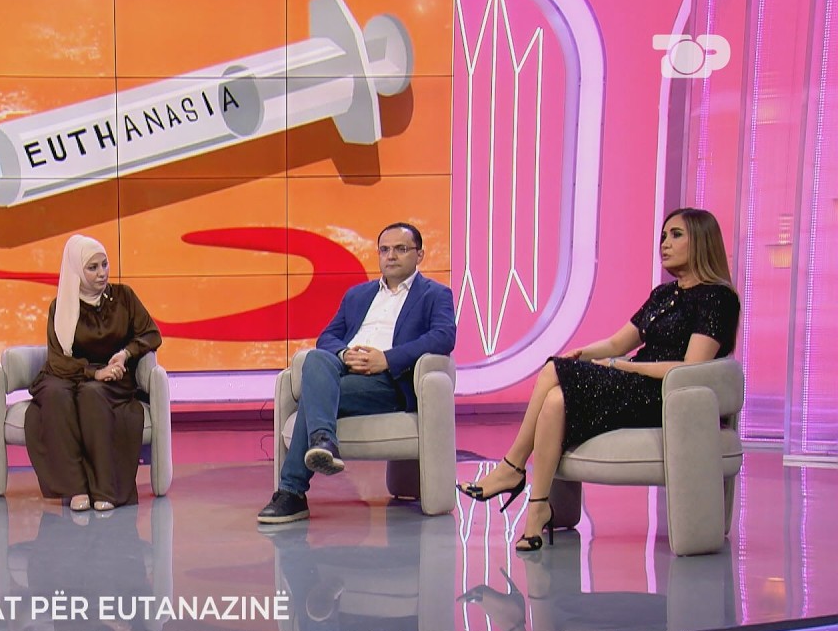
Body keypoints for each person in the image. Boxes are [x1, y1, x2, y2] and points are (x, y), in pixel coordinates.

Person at [457, 208, 741, 551]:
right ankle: (538, 509)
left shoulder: (718, 298)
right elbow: (617, 344)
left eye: (676, 235)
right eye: (663, 236)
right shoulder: (663, 295)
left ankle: (512, 467)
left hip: (667, 396)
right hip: (634, 381)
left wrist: (623, 367)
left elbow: (689, 369)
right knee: (555, 399)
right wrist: (583, 354)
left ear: (702, 241)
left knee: (553, 372)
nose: (665, 244)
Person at [257, 222, 457, 524]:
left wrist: (386, 359)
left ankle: (292, 492)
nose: (391, 256)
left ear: (420, 255)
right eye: (384, 250)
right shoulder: (358, 295)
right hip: (343, 370)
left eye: (401, 249)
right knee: (317, 358)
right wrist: (343, 354)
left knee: (313, 396)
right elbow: (328, 336)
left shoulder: (435, 294)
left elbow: (443, 337)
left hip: (388, 381)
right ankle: (323, 441)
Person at [25, 234, 162, 511]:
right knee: (54, 395)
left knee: (92, 395)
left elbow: (151, 334)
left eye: (104, 264)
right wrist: (92, 372)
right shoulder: (61, 306)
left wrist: (126, 354)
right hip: (70, 373)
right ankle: (75, 489)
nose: (102, 273)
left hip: (113, 376)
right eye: (92, 267)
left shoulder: (124, 297)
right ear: (77, 270)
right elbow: (57, 361)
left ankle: (105, 490)